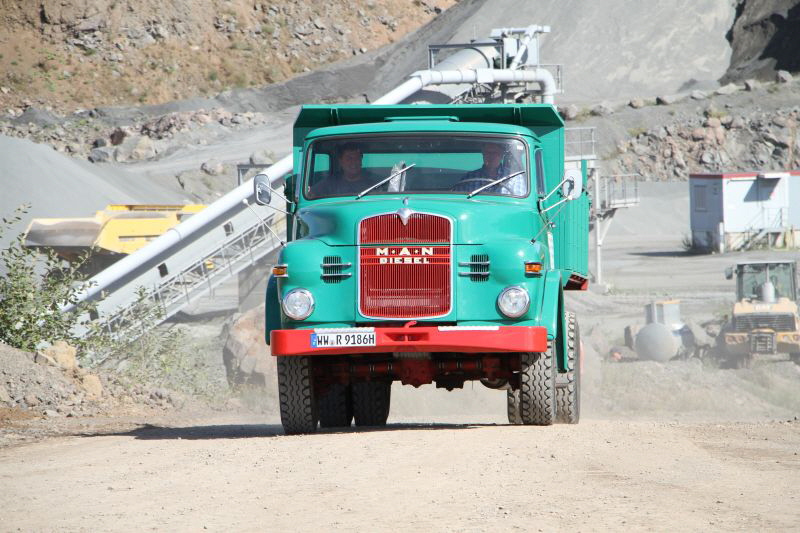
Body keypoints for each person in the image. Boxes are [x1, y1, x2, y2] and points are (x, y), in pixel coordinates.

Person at [452, 142, 527, 196]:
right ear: (483, 154)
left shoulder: (514, 178)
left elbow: (518, 204)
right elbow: (458, 200)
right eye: (488, 153)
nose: (491, 156)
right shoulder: (469, 177)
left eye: (495, 153)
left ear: (502, 155)